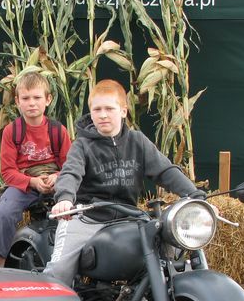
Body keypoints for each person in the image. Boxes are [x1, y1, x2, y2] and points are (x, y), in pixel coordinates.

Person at [44, 79, 206, 286]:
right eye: (97, 109)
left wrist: (195, 196)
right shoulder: (82, 145)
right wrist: (65, 199)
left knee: (171, 252)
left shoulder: (137, 141)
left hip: (130, 218)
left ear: (123, 111)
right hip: (87, 218)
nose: (102, 115)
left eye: (109, 109)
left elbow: (165, 171)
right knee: (59, 270)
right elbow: (70, 173)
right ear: (90, 112)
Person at [0, 72, 72, 266]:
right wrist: (32, 182)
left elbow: (70, 166)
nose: (32, 103)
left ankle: (71, 262)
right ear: (17, 101)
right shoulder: (12, 131)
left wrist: (57, 177)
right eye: (26, 98)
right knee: (4, 212)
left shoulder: (58, 130)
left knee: (77, 209)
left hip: (55, 182)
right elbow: (8, 171)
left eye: (37, 97)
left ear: (48, 100)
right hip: (25, 184)